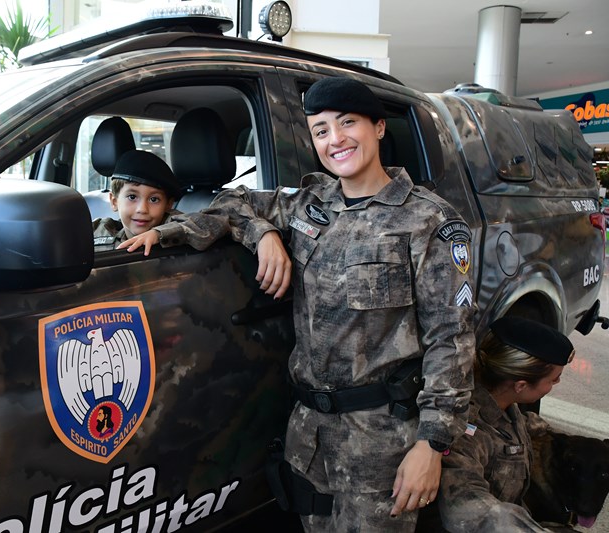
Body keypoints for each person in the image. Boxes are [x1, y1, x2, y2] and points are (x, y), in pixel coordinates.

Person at [122, 76, 476, 531]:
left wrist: (433, 444)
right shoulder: (310, 203)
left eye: (348, 123)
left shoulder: (429, 220)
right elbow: (230, 202)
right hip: (308, 431)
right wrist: (264, 232)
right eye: (322, 130)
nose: (336, 140)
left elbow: (452, 339)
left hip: (380, 440)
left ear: (379, 128)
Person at [426, 316, 576, 532]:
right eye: (553, 380)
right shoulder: (465, 431)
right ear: (520, 385)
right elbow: (468, 507)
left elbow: (523, 425)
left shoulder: (505, 405)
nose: (557, 383)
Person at [92, 149, 182, 251]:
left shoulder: (177, 227)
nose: (142, 209)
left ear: (168, 205)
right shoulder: (101, 230)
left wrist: (158, 234)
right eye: (132, 197)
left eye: (154, 199)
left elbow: (201, 224)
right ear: (114, 201)